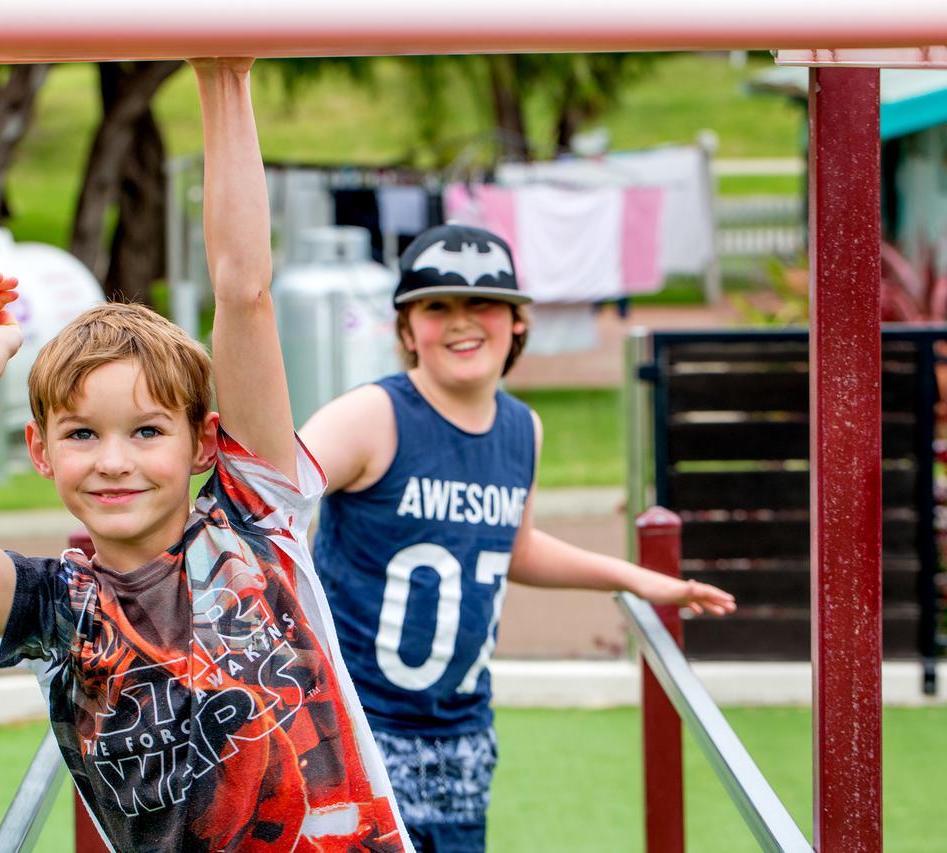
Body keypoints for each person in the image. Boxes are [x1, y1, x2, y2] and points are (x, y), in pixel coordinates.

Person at [0, 59, 410, 853]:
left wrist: (223, 78)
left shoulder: (257, 524)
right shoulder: (58, 612)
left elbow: (243, 292)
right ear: (42, 452)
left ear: (204, 442)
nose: (114, 459)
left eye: (148, 431)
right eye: (82, 433)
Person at [299, 223, 735, 852]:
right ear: (405, 328)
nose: (460, 322)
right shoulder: (372, 416)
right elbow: (269, 499)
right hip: (356, 726)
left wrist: (634, 577)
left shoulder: (521, 429)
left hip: (461, 734)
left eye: (481, 303)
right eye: (437, 305)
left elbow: (517, 547)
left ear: (518, 322)